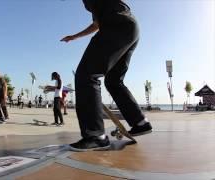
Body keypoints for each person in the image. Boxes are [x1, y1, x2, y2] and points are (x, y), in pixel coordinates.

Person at [61, 0, 152, 151]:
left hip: (116, 27)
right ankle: (140, 122)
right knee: (113, 81)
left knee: (86, 75)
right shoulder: (97, 5)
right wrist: (75, 36)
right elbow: (97, 24)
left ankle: (96, 136)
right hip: (130, 28)